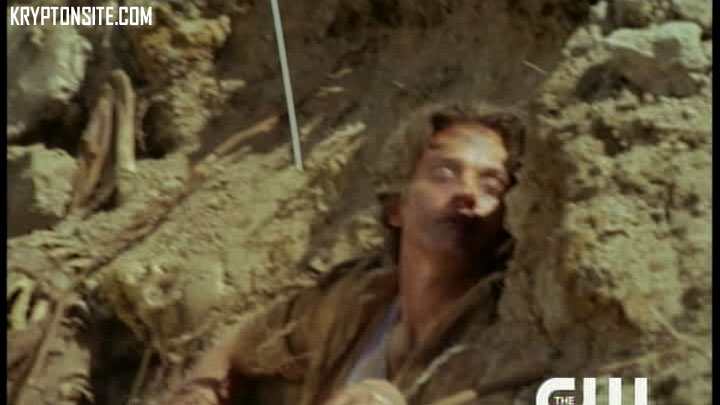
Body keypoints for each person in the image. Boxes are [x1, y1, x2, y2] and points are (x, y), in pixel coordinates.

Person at [164, 101, 551, 405]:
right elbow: (240, 344)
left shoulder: (501, 340)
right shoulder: (357, 302)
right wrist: (201, 392)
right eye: (444, 174)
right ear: (396, 206)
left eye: (491, 186)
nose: (467, 193)